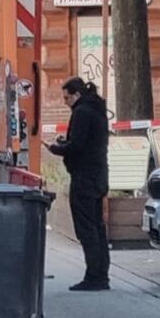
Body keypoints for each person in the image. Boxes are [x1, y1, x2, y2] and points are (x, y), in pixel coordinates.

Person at [44, 77, 111, 291]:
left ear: (76, 95)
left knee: (86, 229)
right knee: (98, 227)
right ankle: (101, 275)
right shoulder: (97, 110)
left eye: (66, 97)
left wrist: (57, 148)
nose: (65, 102)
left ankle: (94, 276)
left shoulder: (81, 112)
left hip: (84, 176)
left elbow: (78, 146)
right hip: (99, 174)